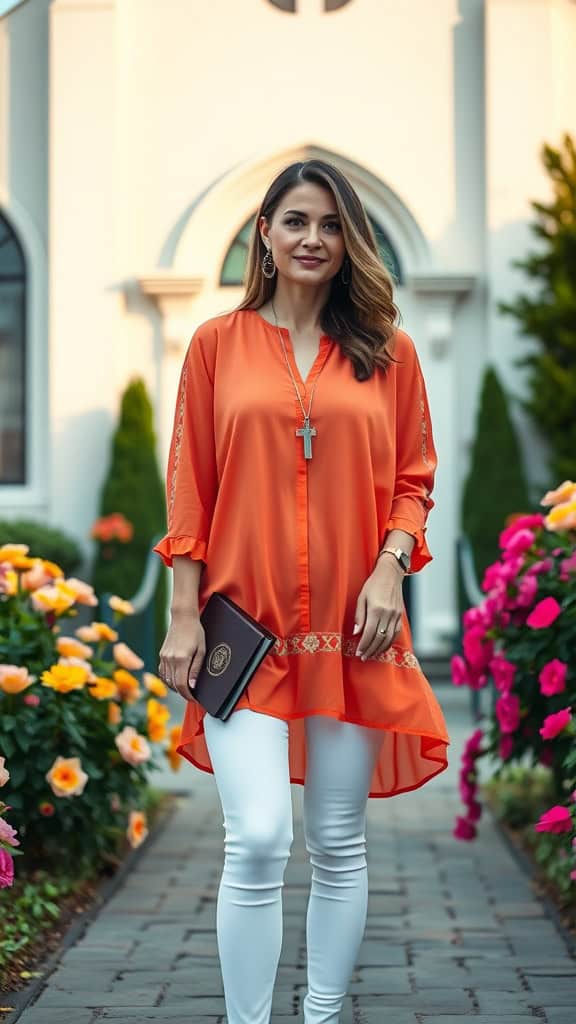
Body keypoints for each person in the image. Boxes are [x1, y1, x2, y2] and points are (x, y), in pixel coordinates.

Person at [153, 159, 450, 1024]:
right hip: (240, 634)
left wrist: (393, 564)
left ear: (347, 238)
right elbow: (189, 484)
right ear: (266, 237)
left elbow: (414, 478)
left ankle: (321, 1016)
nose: (312, 238)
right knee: (256, 839)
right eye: (295, 221)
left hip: (353, 634)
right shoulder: (215, 344)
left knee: (338, 844)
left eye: (329, 224)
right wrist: (181, 613)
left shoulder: (387, 353)